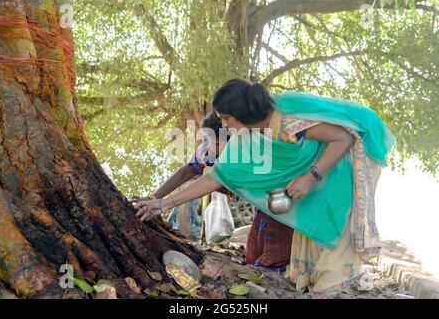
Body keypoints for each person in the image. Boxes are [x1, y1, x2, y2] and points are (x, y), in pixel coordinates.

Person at [134, 79, 395, 298]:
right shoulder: (247, 135)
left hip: (353, 149)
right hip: (323, 155)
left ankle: (333, 282)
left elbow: (344, 137)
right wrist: (162, 203)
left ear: (242, 113)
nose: (223, 125)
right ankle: (314, 277)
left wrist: (310, 175)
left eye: (226, 118)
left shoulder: (286, 120)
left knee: (335, 209)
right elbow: (215, 177)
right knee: (313, 207)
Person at [132, 112, 227, 240]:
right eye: (207, 140)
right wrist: (153, 197)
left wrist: (163, 204)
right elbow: (187, 172)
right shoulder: (207, 150)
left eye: (215, 144)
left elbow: (212, 181)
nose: (210, 148)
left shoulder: (244, 153)